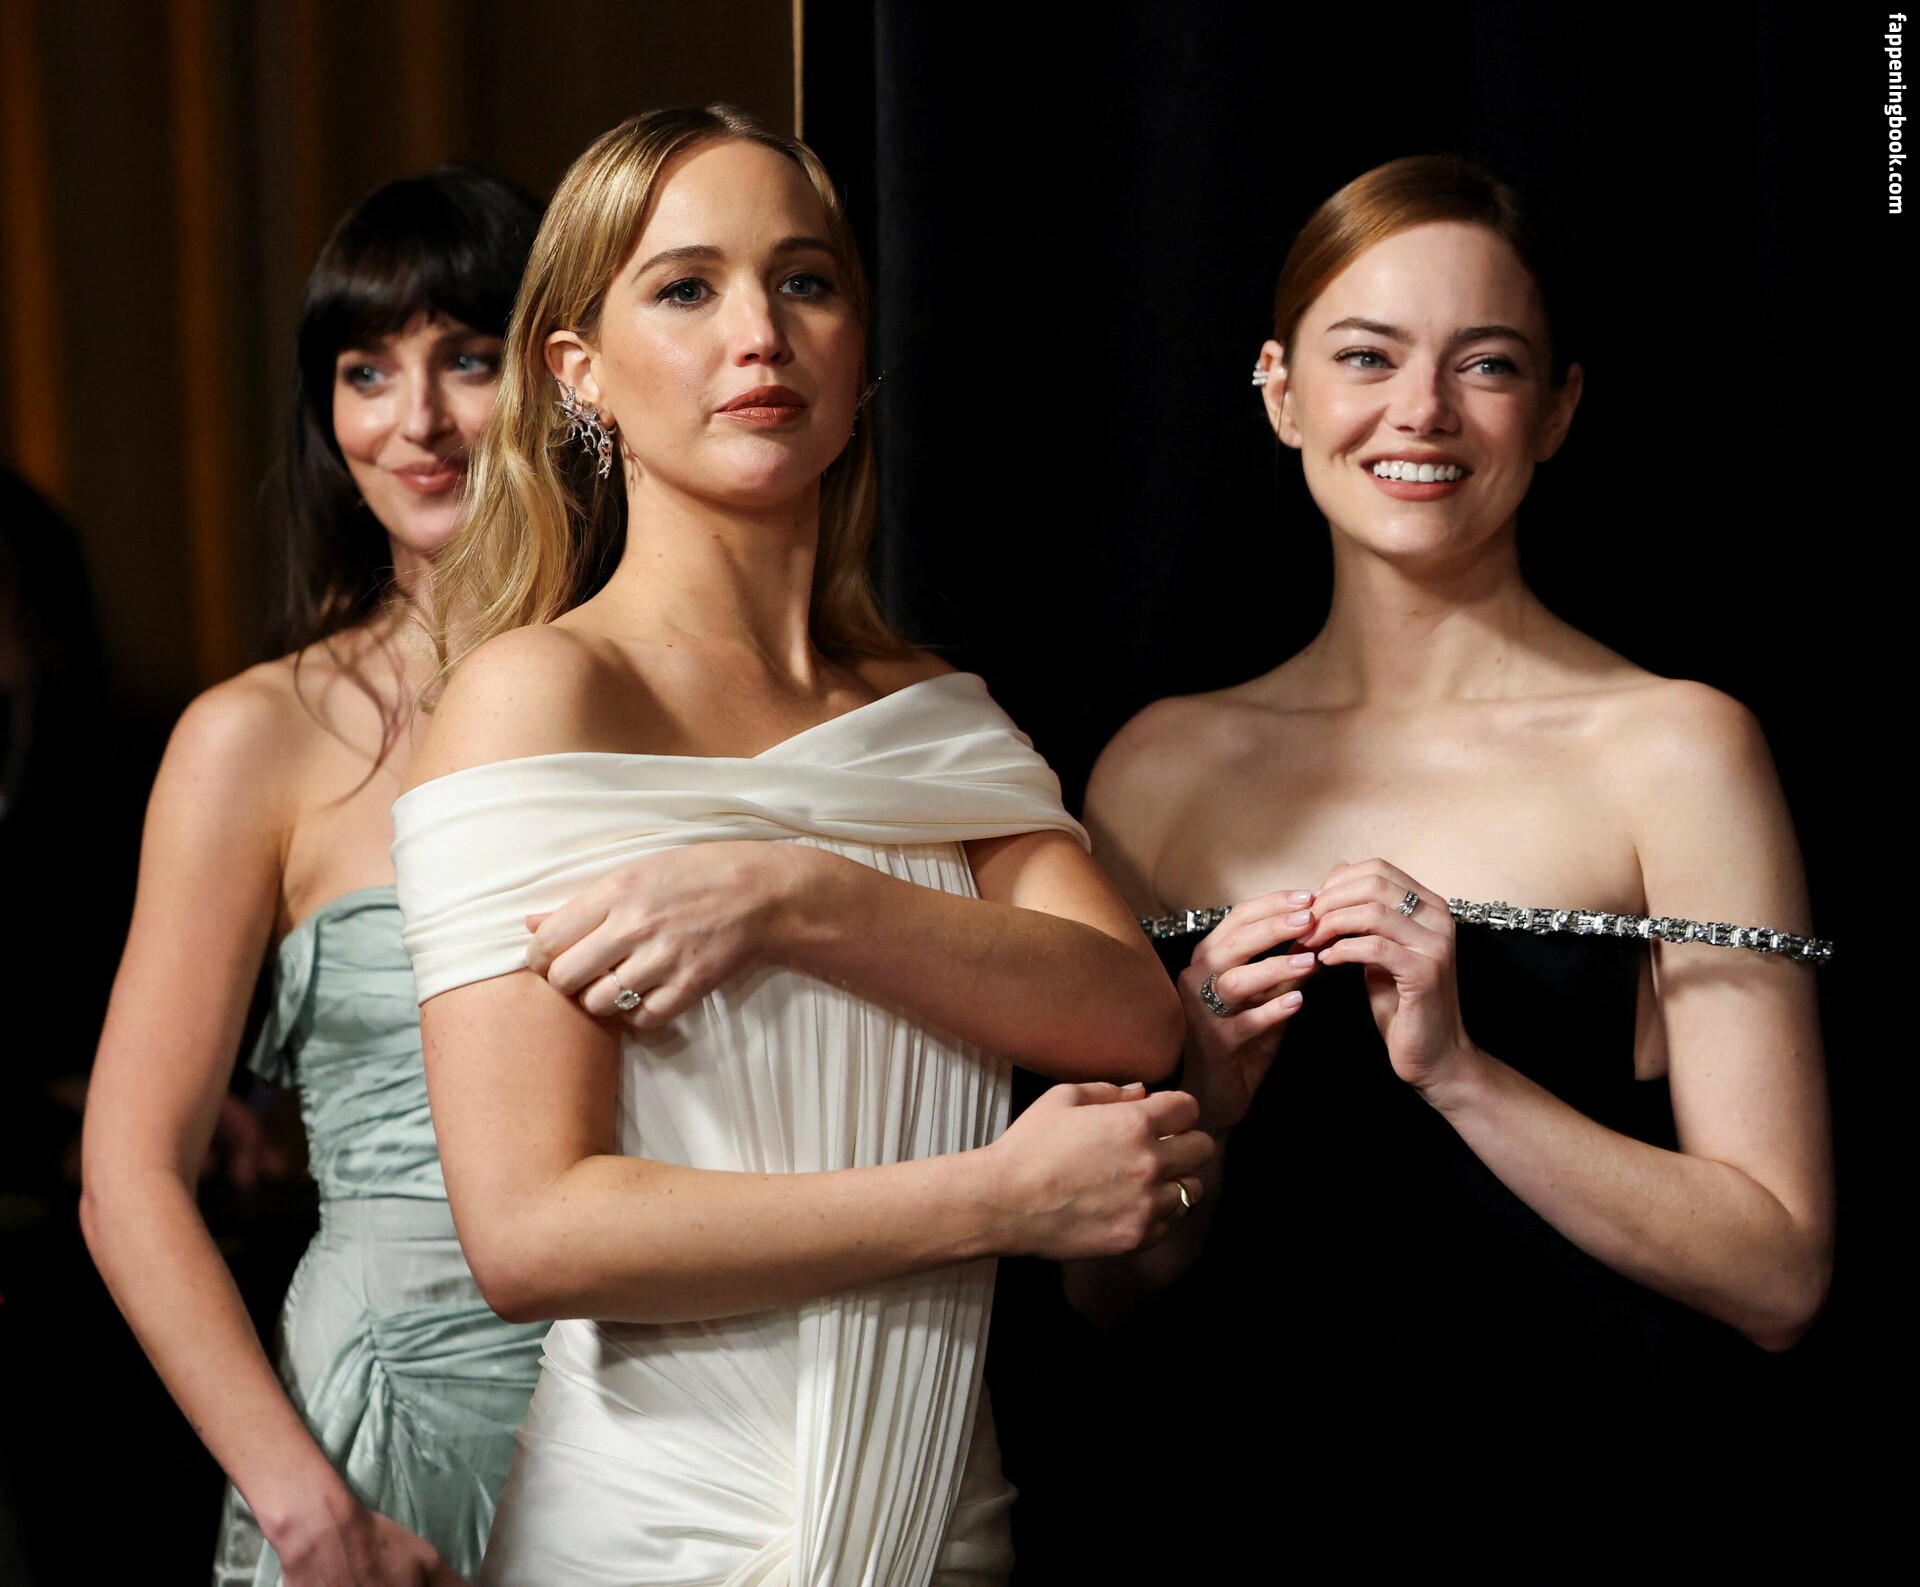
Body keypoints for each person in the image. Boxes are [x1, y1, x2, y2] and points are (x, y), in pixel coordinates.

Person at [391, 105, 1203, 1585]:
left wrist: (791, 893)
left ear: (859, 346)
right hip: (652, 1538)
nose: (759, 333)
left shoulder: (934, 719)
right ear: (579, 372)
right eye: (686, 288)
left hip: (944, 1526)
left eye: (805, 281)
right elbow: (532, 1232)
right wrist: (996, 1200)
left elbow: (1131, 1016)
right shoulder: (540, 696)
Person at [1071, 154, 1833, 1539]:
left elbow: (1778, 1275)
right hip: (1222, 1502)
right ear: (1280, 390)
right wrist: (1205, 1104)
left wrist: (1461, 1075)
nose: (1421, 411)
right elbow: (1102, 1295)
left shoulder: (1676, 749)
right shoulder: (1158, 769)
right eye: (1367, 356)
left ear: (1558, 409)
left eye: (1486, 365)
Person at [81, 168, 546, 1587]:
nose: (419, 423)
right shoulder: (255, 737)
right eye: (367, 371)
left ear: (562, 375)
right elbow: (129, 1176)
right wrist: (306, 1507)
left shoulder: (675, 699)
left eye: (469, 360)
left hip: (674, 1424)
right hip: (383, 1446)